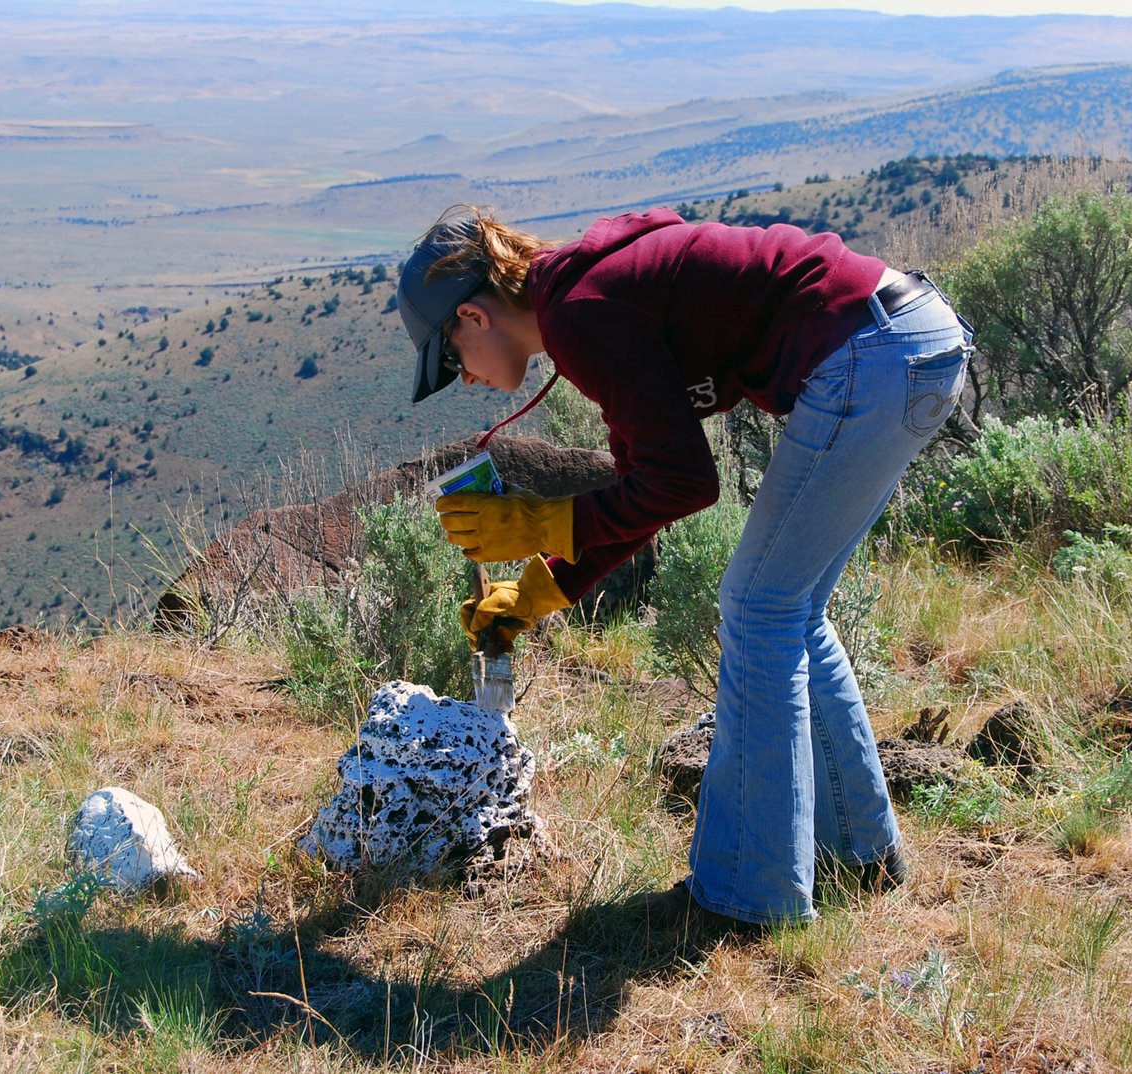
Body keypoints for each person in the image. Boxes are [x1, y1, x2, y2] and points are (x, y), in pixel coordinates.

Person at [395, 204, 971, 928]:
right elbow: (651, 482)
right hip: (910, 339)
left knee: (761, 610)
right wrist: (537, 591)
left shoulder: (581, 314)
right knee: (784, 609)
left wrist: (543, 521)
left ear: (475, 317)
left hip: (874, 354)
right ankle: (858, 856)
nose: (465, 381)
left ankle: (748, 899)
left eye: (450, 361)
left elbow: (686, 485)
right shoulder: (584, 298)